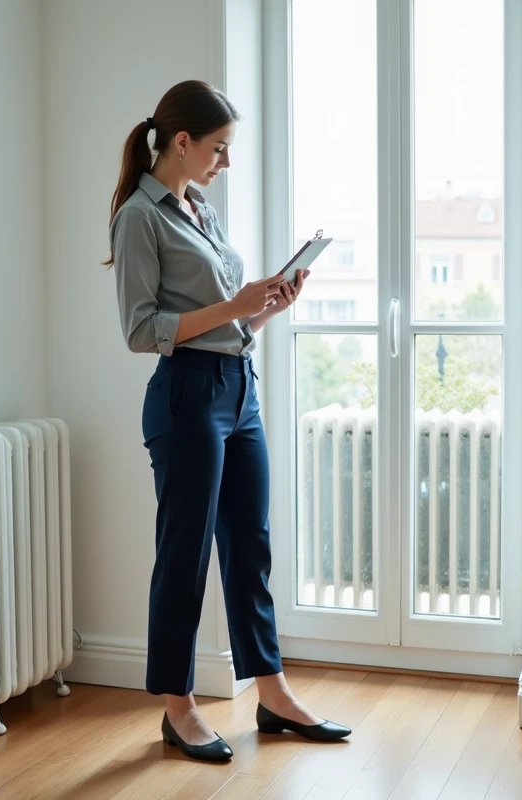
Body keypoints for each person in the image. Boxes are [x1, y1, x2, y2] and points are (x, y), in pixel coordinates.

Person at [104, 80, 350, 762]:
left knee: (251, 544)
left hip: (238, 390)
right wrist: (235, 303)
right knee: (184, 557)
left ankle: (272, 692)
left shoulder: (200, 208)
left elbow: (226, 325)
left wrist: (268, 304)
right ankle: (177, 708)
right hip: (186, 397)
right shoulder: (139, 218)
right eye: (219, 148)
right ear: (181, 142)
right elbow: (140, 330)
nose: (225, 162)